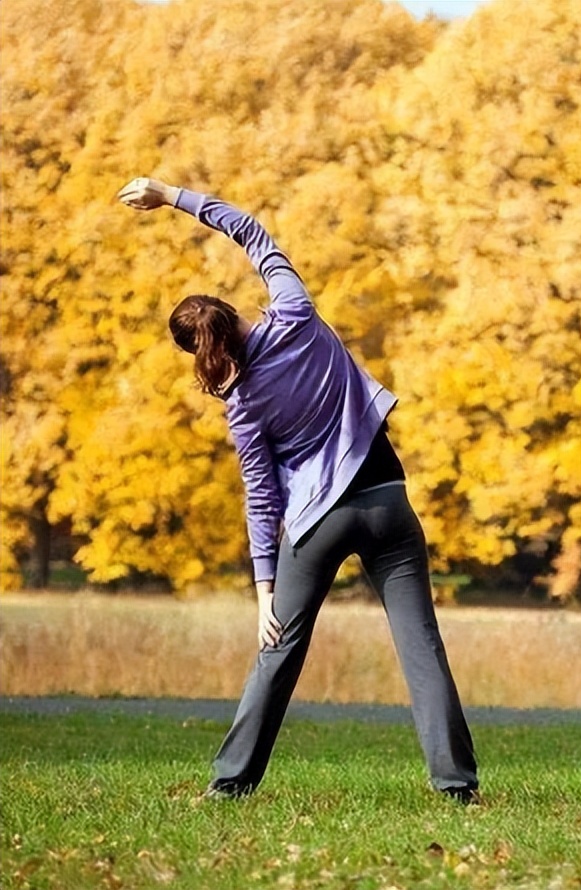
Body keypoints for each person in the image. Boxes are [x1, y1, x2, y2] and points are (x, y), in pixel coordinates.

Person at [117, 177, 479, 803]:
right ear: (232, 314)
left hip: (318, 521)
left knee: (278, 650)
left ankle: (231, 785)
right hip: (388, 496)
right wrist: (168, 194)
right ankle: (456, 787)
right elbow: (250, 231)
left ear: (196, 352)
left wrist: (264, 592)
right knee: (421, 645)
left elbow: (263, 499)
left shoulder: (243, 405)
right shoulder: (296, 313)